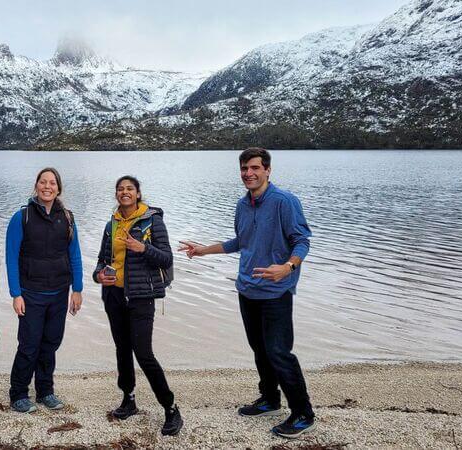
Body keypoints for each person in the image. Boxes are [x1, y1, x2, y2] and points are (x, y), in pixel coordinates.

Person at [178, 147, 316, 438]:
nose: (248, 174)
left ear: (267, 170)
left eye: (254, 168)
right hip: (247, 289)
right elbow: (242, 241)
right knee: (260, 350)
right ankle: (269, 399)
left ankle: (303, 413)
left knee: (279, 352)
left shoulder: (284, 201)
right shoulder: (243, 205)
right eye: (244, 169)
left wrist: (287, 267)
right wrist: (204, 250)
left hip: (276, 291)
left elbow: (302, 241)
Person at [93, 175, 182, 436]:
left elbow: (166, 258)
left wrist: (142, 248)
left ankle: (171, 407)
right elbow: (101, 259)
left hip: (141, 297)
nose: (124, 193)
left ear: (138, 193)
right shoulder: (112, 223)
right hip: (114, 296)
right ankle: (129, 398)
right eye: (120, 189)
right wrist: (98, 275)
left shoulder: (152, 220)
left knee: (143, 353)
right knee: (122, 349)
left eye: (129, 189)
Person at [5, 167, 83, 413]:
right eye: (43, 182)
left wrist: (77, 289)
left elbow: (75, 255)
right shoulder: (22, 217)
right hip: (31, 293)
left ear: (58, 188)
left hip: (59, 293)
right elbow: (11, 257)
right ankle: (18, 393)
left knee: (50, 344)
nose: (47, 186)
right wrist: (15, 293)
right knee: (29, 345)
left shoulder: (68, 217)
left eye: (52, 183)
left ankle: (45, 391)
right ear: (36, 185)